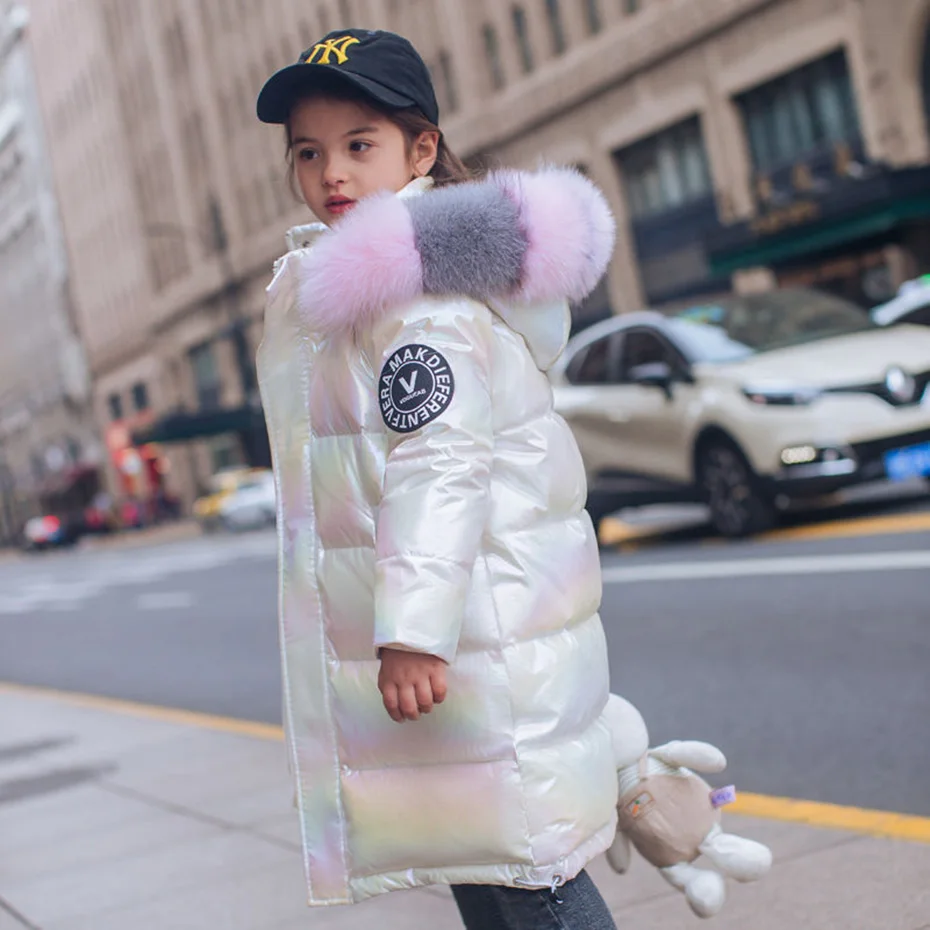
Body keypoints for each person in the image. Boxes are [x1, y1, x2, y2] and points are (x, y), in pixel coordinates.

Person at [256, 28, 619, 930]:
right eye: (309, 152)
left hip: (467, 639)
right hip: (471, 640)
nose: (331, 174)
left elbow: (440, 458)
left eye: (359, 145)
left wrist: (414, 631)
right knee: (488, 865)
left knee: (530, 882)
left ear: (422, 150)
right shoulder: (368, 291)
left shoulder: (417, 297)